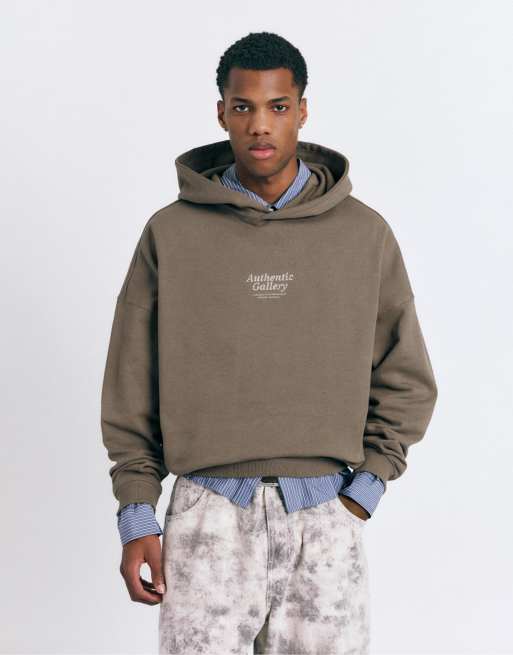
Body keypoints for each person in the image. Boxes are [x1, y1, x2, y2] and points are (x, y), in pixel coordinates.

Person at [101, 31, 438, 655]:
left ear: (302, 111)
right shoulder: (170, 234)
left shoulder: (364, 234)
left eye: (278, 106)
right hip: (205, 515)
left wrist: (365, 490)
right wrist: (136, 512)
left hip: (325, 516)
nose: (260, 124)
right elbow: (131, 385)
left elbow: (407, 377)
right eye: (244, 107)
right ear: (222, 113)